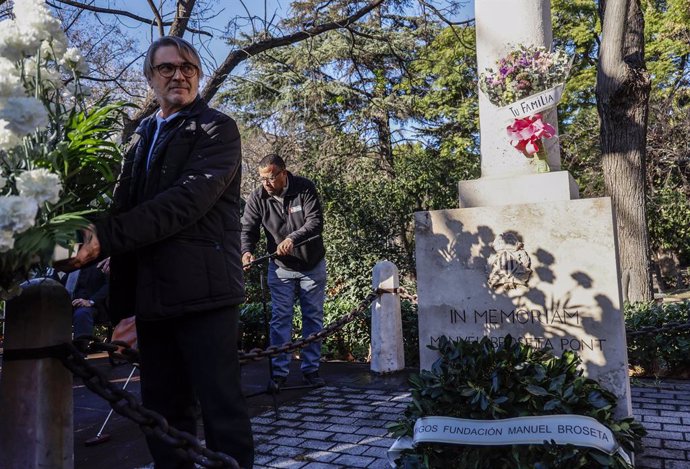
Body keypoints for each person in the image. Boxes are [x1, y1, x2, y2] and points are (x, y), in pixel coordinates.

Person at [55, 36, 253, 469]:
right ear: (150, 77)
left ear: (198, 76)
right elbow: (123, 203)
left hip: (205, 294)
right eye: (167, 68)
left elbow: (183, 204)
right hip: (152, 295)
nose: (178, 74)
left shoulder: (218, 128)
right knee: (163, 412)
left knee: (223, 412)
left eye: (188, 67)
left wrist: (104, 236)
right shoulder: (140, 135)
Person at [241, 154, 327, 391]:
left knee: (313, 318)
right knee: (280, 319)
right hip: (280, 268)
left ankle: (311, 370)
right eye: (262, 179)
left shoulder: (304, 188)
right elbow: (248, 229)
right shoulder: (258, 197)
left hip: (312, 264)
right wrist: (246, 252)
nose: (266, 184)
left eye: (270, 178)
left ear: (283, 173)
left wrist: (292, 238)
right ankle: (279, 373)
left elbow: (315, 222)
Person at [64, 264, 109, 338]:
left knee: (82, 313)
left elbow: (108, 286)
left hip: (93, 306)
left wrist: (90, 301)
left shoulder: (102, 262)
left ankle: (81, 347)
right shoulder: (72, 265)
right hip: (69, 304)